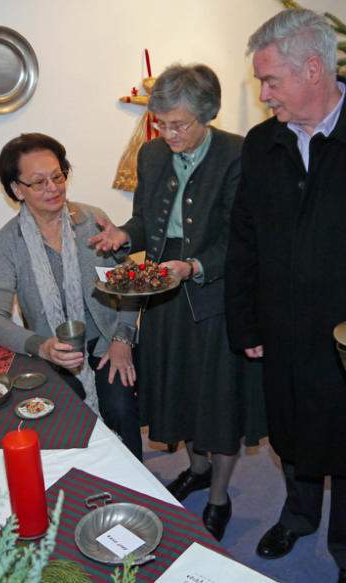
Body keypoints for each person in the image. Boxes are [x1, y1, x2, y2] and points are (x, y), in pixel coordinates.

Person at [89, 64, 266, 541]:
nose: (168, 134)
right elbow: (147, 220)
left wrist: (194, 267)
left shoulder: (237, 153)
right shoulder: (150, 154)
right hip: (162, 295)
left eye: (179, 124)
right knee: (179, 391)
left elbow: (241, 237)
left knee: (219, 403)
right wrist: (126, 233)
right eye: (161, 123)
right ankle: (198, 467)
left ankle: (219, 496)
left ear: (206, 115)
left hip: (217, 296)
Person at [225, 9, 346, 582]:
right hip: (281, 325)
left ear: (314, 69)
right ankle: (298, 516)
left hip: (344, 336)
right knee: (292, 428)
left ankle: (345, 544)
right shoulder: (262, 143)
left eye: (271, 81)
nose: (263, 93)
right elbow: (243, 237)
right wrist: (245, 322)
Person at [0, 133, 142, 460]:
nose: (53, 188)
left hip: (105, 345)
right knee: (60, 422)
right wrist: (40, 346)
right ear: (16, 189)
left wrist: (123, 338)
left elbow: (131, 282)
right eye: (38, 182)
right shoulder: (8, 242)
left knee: (121, 410)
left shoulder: (90, 220)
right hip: (50, 353)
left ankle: (135, 495)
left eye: (57, 176)